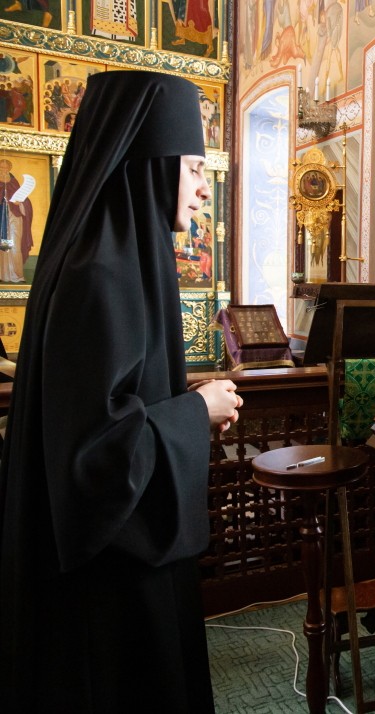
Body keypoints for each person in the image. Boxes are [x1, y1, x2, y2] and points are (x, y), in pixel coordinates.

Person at [0, 70, 243, 713]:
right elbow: (95, 459)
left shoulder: (115, 253)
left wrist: (180, 401)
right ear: (151, 165)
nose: (203, 187)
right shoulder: (102, 274)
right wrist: (197, 411)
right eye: (194, 168)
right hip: (108, 591)